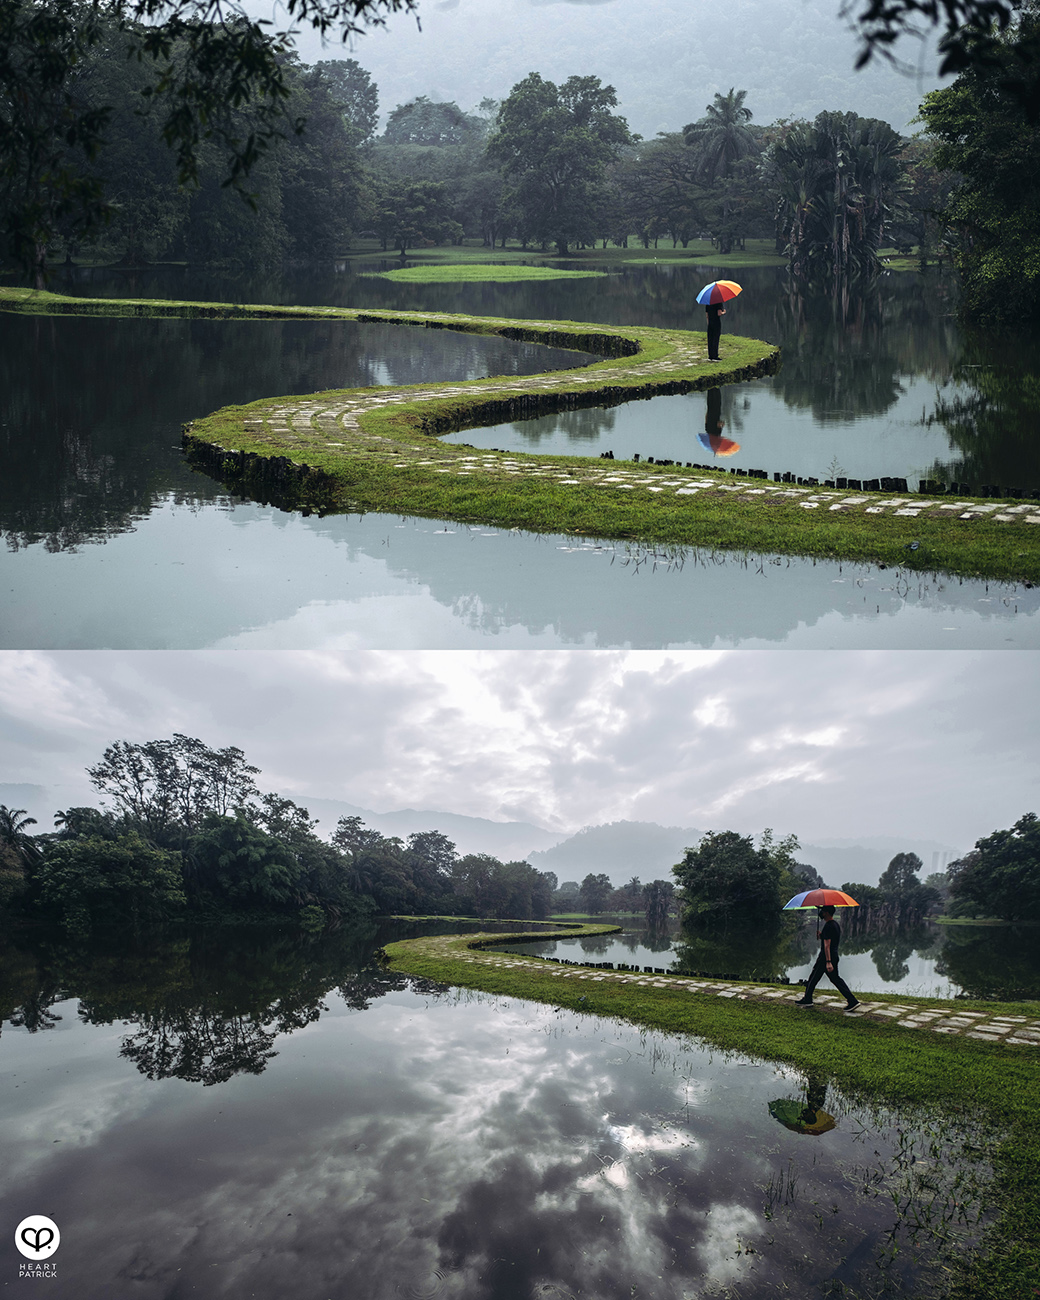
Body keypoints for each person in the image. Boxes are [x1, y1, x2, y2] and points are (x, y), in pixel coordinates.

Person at [794, 906, 860, 1011]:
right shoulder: (835, 925)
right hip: (832, 956)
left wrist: (828, 962)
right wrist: (822, 936)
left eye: (823, 911)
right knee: (818, 978)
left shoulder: (829, 926)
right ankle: (808, 999)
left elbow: (827, 945)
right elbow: (831, 939)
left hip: (826, 957)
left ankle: (852, 1001)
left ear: (827, 913)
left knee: (821, 978)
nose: (821, 913)